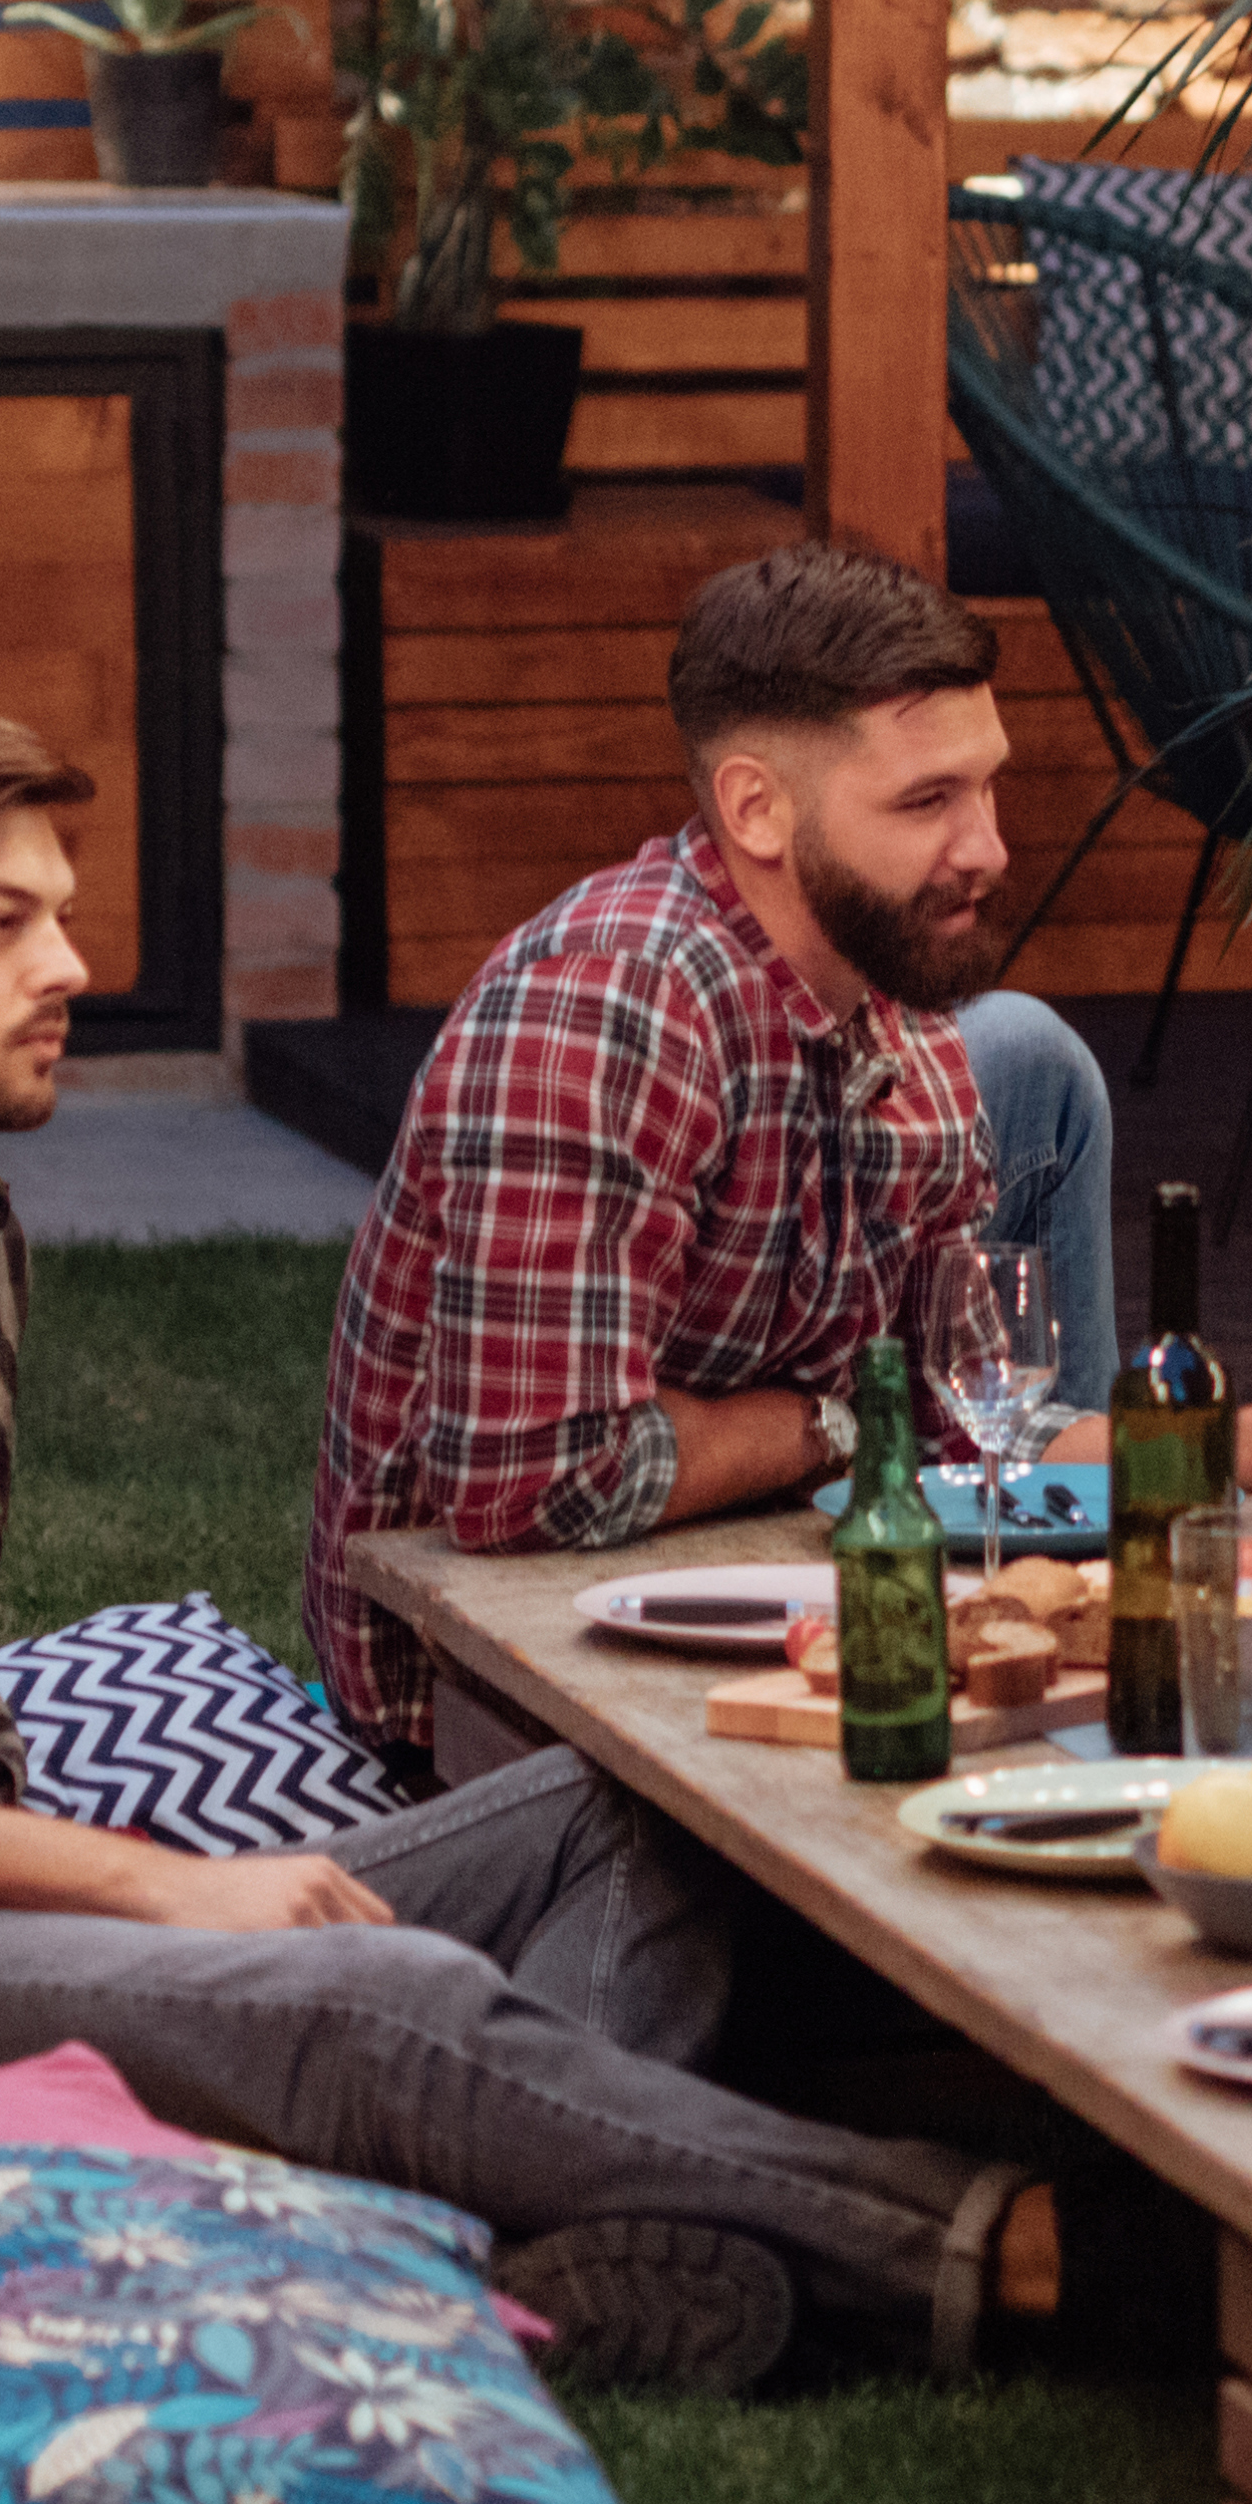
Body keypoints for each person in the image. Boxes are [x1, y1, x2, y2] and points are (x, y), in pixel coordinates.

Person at [0, 682, 1041, 2398]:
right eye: (3, 922)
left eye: (59, 913)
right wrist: (158, 1885)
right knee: (369, 2000)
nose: (69, 964)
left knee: (645, 1799)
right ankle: (995, 2251)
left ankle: (469, 2258)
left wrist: (120, 1918)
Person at [297, 536, 1111, 1767]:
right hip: (487, 1719)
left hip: (752, 1588)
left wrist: (1237, 1447)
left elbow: (962, 1432)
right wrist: (831, 1427)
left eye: (986, 787)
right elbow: (536, 1485)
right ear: (754, 808)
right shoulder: (612, 1006)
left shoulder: (898, 1016)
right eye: (927, 800)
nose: (989, 847)